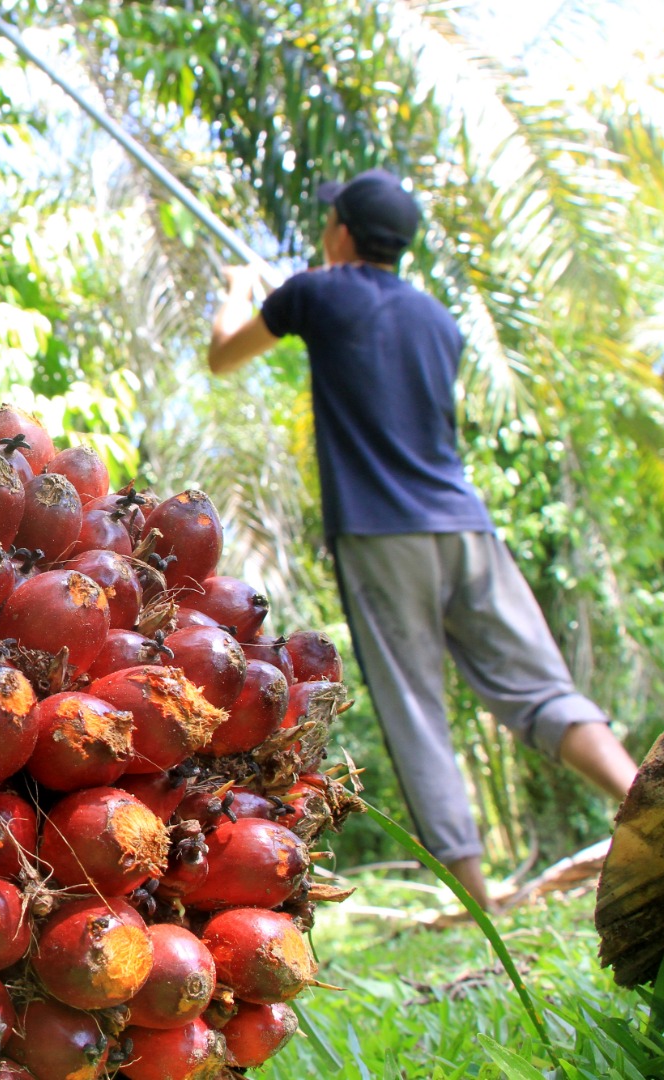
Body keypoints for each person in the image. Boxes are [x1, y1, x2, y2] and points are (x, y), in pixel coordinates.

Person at [204, 169, 639, 910]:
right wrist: (308, 296)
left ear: (339, 230)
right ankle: (648, 802)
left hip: (382, 535)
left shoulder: (314, 290)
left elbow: (223, 354)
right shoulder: (439, 320)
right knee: (540, 688)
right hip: (466, 528)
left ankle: (477, 903)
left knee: (414, 708)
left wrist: (242, 289)